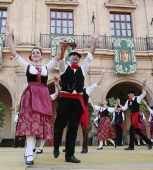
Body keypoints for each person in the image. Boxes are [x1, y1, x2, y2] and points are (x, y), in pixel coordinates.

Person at [3, 24, 61, 165]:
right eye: (33, 52)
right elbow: (13, 53)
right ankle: (29, 152)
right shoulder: (27, 66)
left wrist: (60, 45)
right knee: (31, 124)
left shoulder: (47, 67)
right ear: (31, 56)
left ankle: (29, 150)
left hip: (43, 97)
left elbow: (58, 57)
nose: (36, 53)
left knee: (38, 125)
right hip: (30, 96)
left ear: (41, 56)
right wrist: (9, 37)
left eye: (38, 52)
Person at [53, 31, 100, 163]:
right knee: (59, 126)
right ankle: (56, 146)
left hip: (76, 102)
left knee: (73, 128)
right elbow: (61, 58)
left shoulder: (83, 69)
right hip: (64, 100)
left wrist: (94, 40)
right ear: (70, 58)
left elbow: (90, 55)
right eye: (73, 56)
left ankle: (69, 155)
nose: (75, 57)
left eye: (77, 56)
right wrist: (62, 48)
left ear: (79, 59)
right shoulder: (63, 67)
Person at [118, 80, 152, 150]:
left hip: (136, 116)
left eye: (129, 94)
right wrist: (119, 104)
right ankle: (149, 142)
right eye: (128, 94)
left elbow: (143, 93)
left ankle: (131, 146)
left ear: (133, 94)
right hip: (132, 117)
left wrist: (144, 86)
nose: (128, 95)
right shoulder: (128, 101)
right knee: (138, 132)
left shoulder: (138, 98)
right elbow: (124, 109)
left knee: (131, 130)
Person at [35, 76, 60, 154]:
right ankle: (32, 146)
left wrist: (56, 84)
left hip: (46, 117)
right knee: (35, 131)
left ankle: (41, 147)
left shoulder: (49, 97)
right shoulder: (37, 98)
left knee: (45, 132)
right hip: (38, 117)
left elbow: (56, 94)